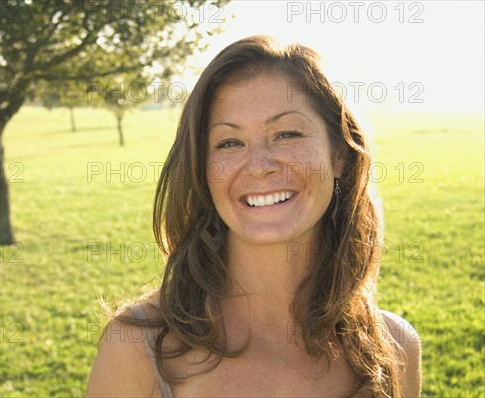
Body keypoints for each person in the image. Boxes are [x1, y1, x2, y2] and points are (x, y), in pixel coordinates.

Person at [85, 35, 422, 397]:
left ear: (338, 154)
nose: (259, 166)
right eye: (229, 142)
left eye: (287, 134)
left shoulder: (395, 347)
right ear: (203, 169)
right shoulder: (138, 348)